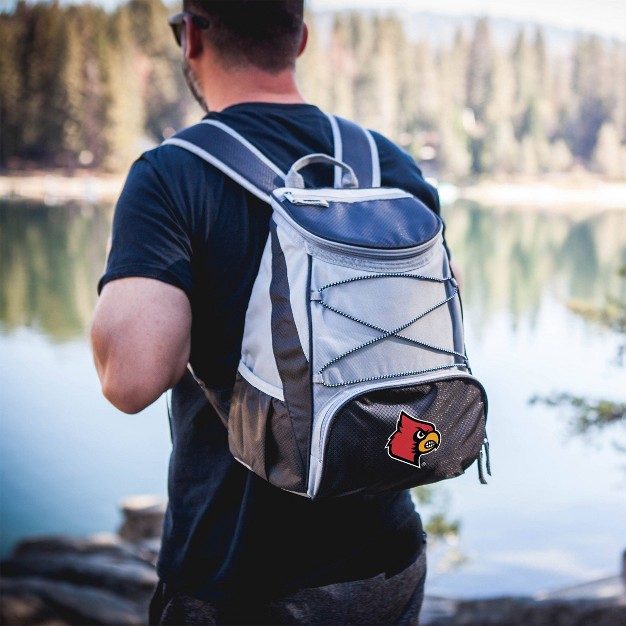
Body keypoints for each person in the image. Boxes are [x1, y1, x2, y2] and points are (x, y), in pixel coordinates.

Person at [91, 1, 445, 623]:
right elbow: (441, 318)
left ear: (192, 35)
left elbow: (131, 378)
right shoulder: (386, 163)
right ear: (300, 39)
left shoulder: (173, 174)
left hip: (239, 578)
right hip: (385, 559)